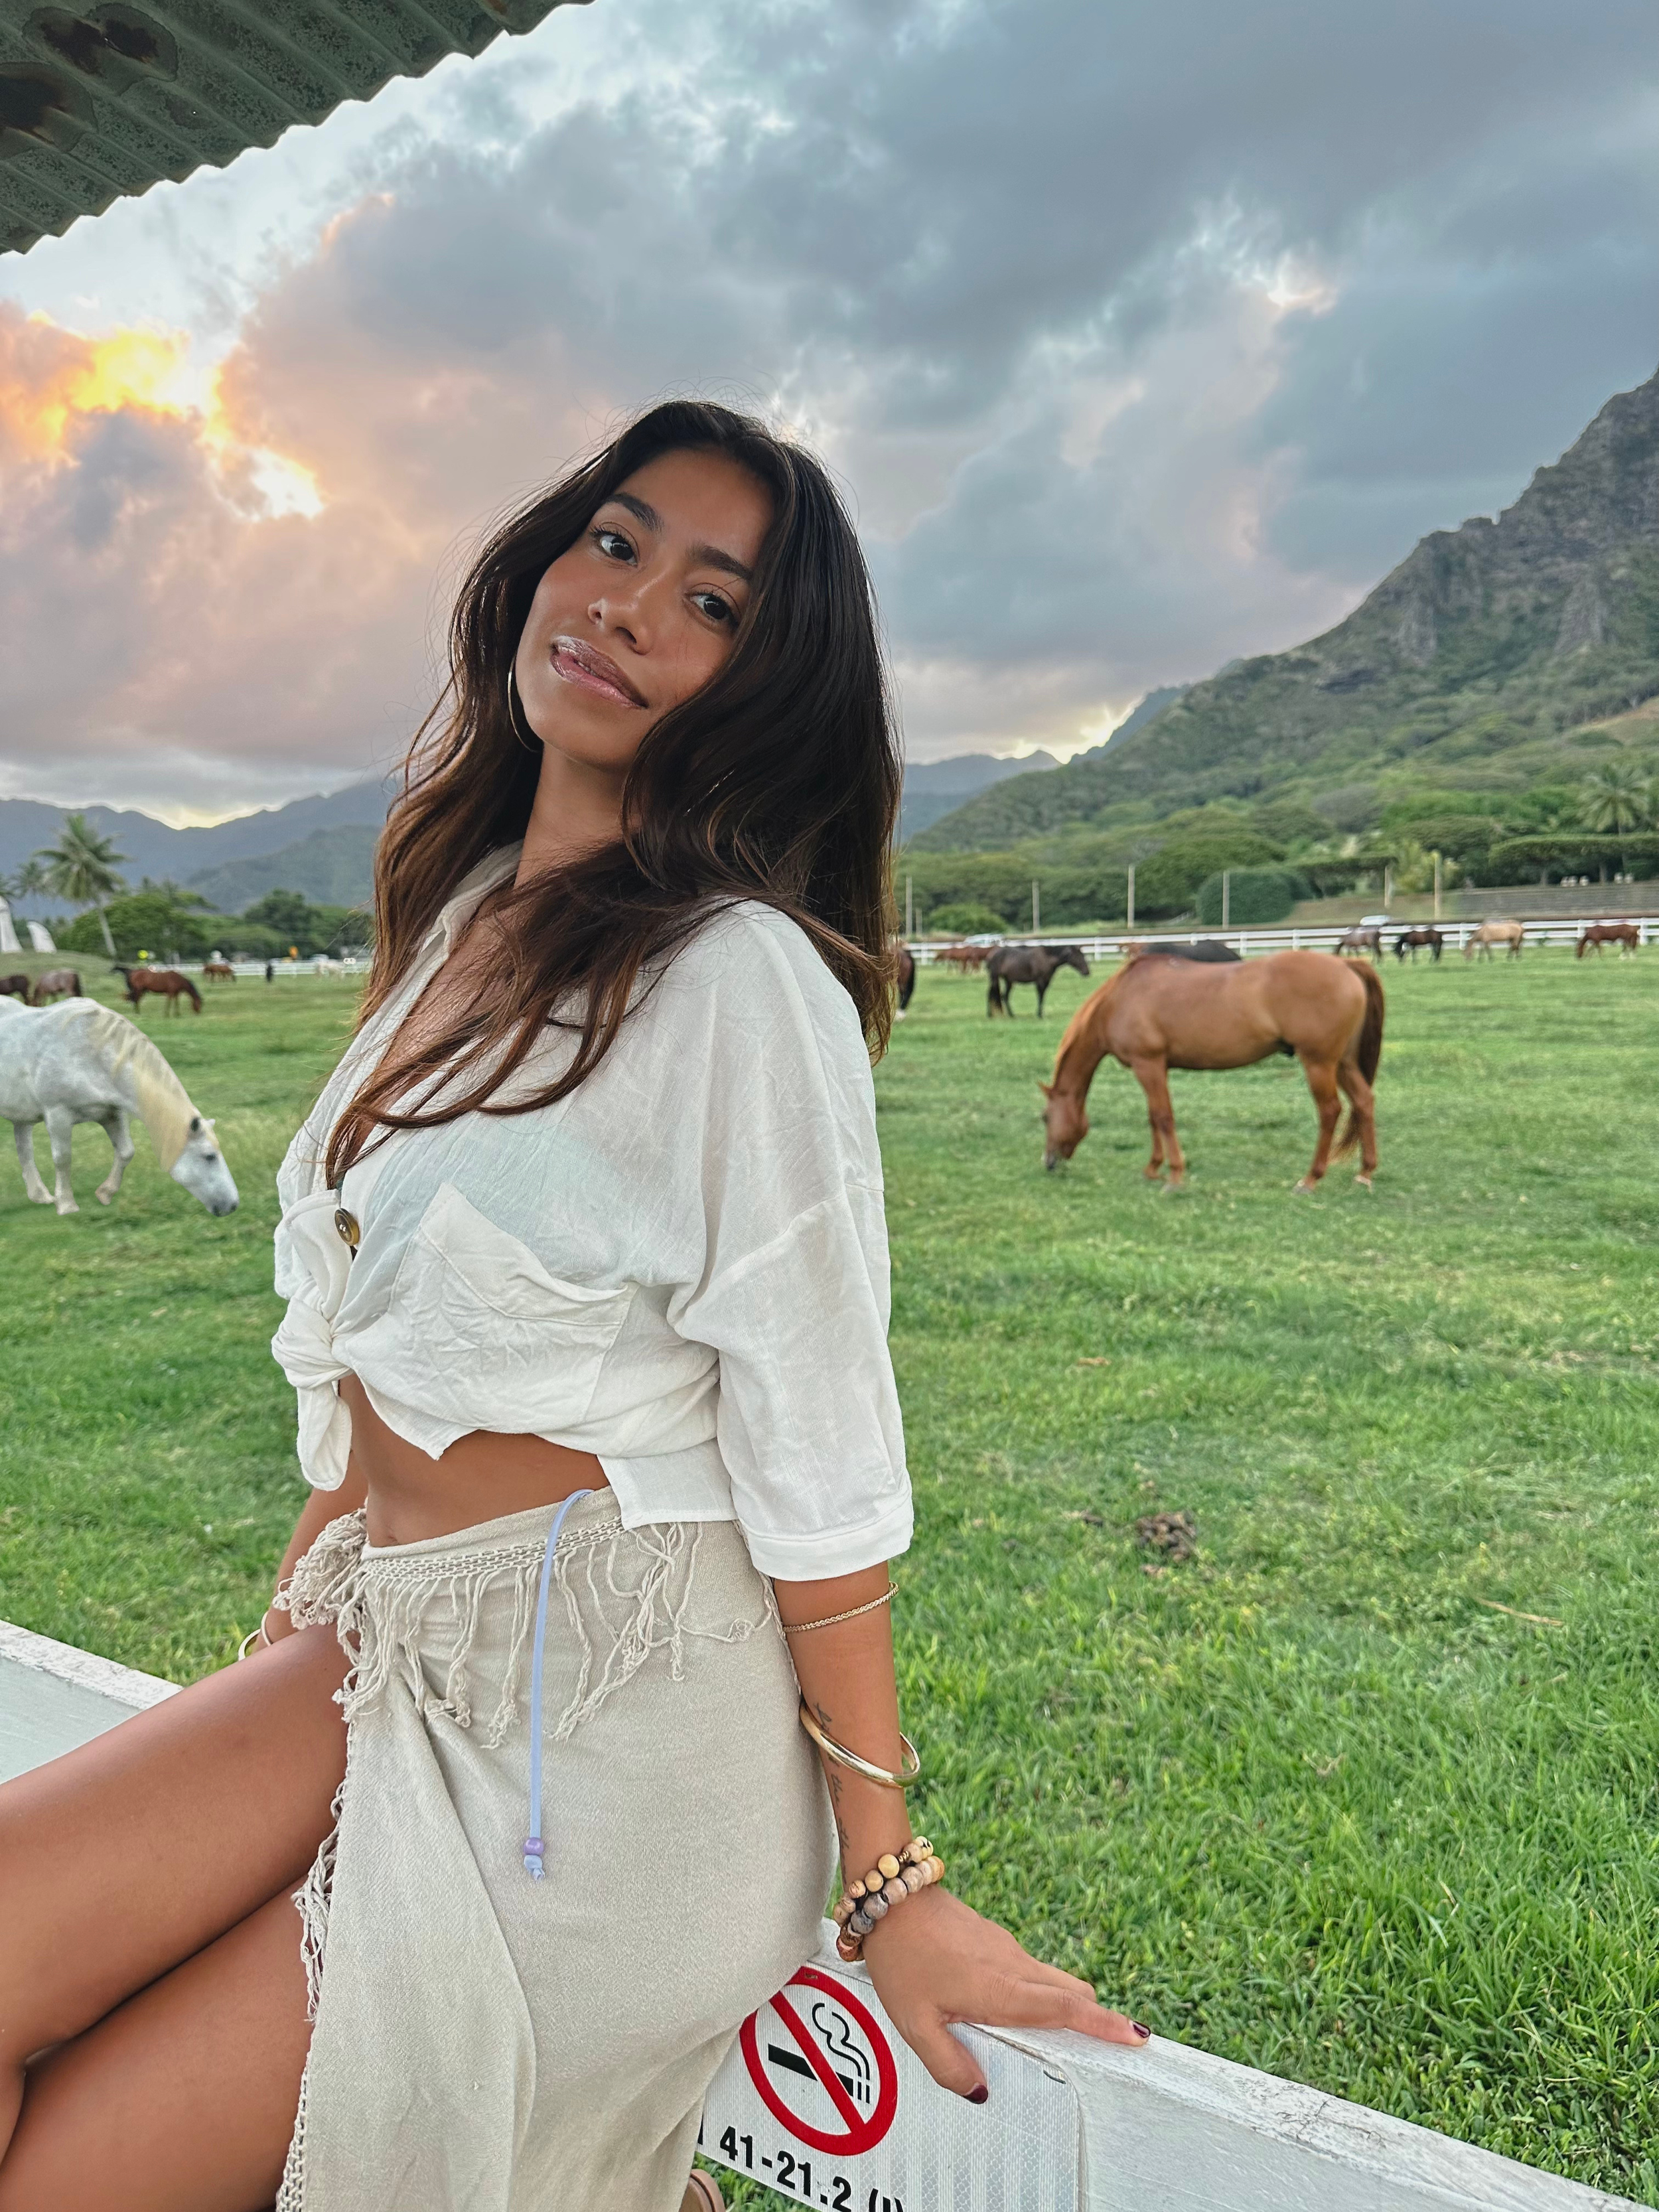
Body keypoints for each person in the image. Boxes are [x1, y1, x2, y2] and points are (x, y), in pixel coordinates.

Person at [0, 400, 1147, 2212]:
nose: (625, 606)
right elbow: (388, 1346)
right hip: (383, 1643)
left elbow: (823, 1458)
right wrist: (292, 1613)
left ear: (759, 687)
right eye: (613, 544)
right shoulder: (457, 913)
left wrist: (889, 1879)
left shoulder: (738, 981)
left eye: (709, 601)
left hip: (605, 1751)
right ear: (541, 560)